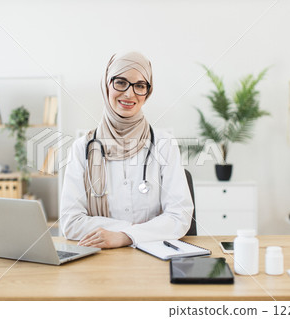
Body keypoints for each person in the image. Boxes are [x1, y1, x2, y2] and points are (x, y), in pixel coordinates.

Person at [60, 51, 193, 249]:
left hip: (154, 258)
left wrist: (125, 236)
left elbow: (179, 216)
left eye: (140, 86)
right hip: (100, 261)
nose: (130, 94)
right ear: (107, 85)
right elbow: (70, 223)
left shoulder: (164, 144)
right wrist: (133, 229)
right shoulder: (82, 149)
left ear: (148, 92)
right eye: (121, 82)